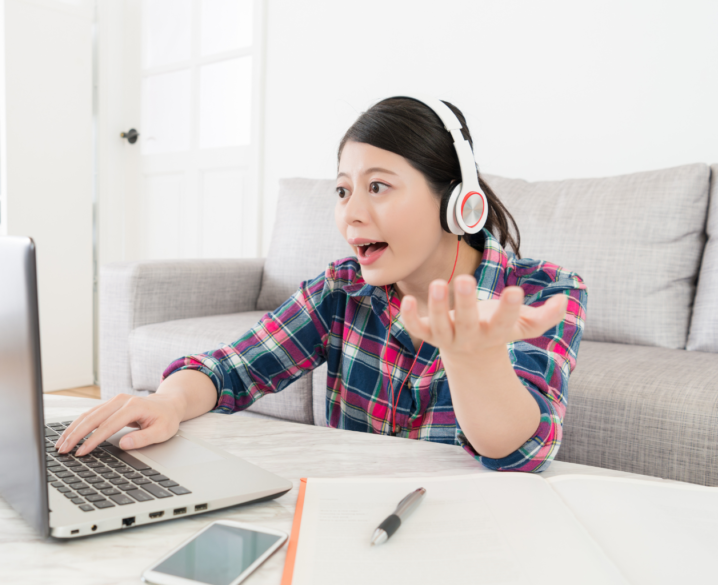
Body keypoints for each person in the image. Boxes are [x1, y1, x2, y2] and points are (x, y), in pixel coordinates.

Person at [56, 96, 588, 472]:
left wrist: (474, 359)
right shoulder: (342, 291)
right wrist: (169, 401)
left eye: (378, 186)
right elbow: (231, 370)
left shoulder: (543, 294)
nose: (350, 215)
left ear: (457, 200)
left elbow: (521, 453)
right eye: (341, 191)